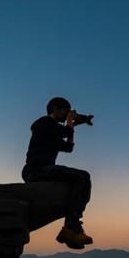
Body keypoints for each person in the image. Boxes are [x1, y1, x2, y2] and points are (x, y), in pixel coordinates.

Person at [21, 96, 93, 249]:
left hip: (44, 169)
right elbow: (64, 131)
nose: (67, 115)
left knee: (81, 178)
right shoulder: (43, 123)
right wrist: (70, 123)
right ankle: (71, 227)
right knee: (82, 176)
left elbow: (68, 148)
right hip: (36, 170)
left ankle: (71, 229)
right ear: (56, 109)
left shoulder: (52, 132)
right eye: (66, 111)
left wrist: (72, 126)